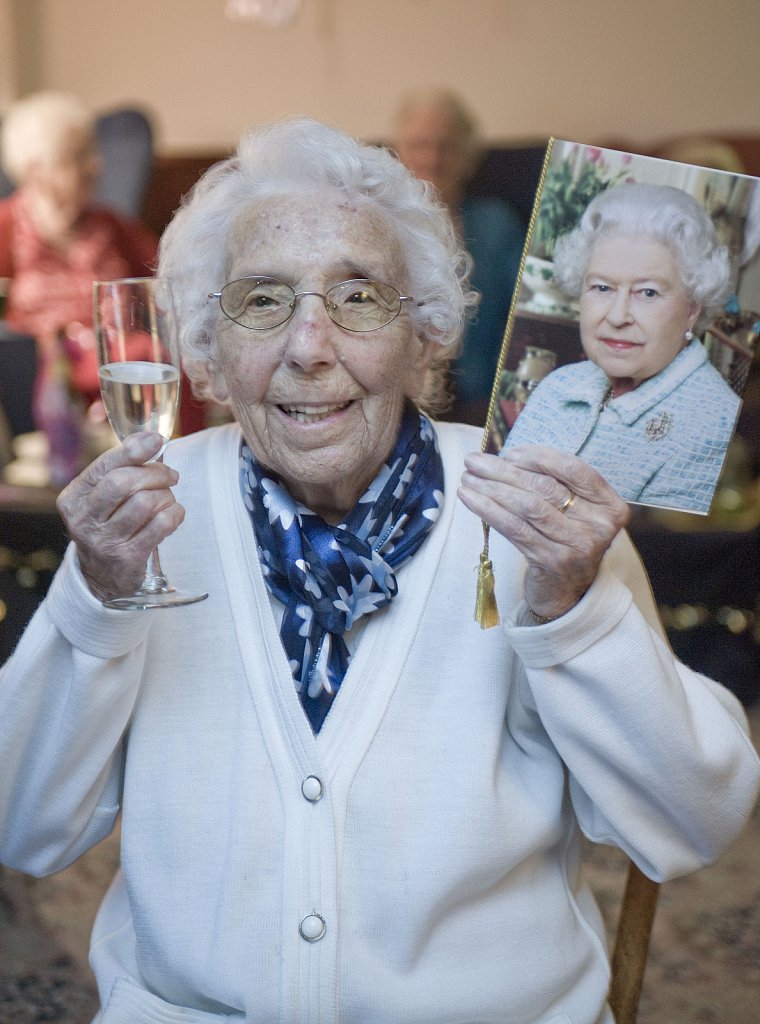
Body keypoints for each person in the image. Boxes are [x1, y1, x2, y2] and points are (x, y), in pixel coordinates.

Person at [0, 118, 757, 1024]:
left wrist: (574, 618)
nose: (311, 347)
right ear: (206, 348)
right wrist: (97, 602)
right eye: (262, 302)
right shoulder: (145, 522)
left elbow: (693, 825)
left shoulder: (539, 511)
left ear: (426, 338)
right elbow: (24, 828)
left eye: (359, 298)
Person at [505, 183, 741, 514]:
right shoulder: (559, 384)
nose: (617, 316)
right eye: (602, 287)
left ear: (692, 309)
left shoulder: (716, 424)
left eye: (647, 293)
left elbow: (664, 558)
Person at [0, 90, 158, 404]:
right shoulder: (6, 228)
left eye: (93, 152)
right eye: (79, 156)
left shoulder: (112, 226)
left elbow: (168, 279)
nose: (96, 165)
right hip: (40, 394)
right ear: (36, 170)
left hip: (127, 384)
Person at [393, 88, 524, 424]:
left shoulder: (496, 224)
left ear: (467, 156)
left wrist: (504, 402)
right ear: (400, 155)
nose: (432, 159)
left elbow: (522, 316)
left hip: (481, 401)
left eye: (446, 146)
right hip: (400, 399)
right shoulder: (381, 227)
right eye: (419, 145)